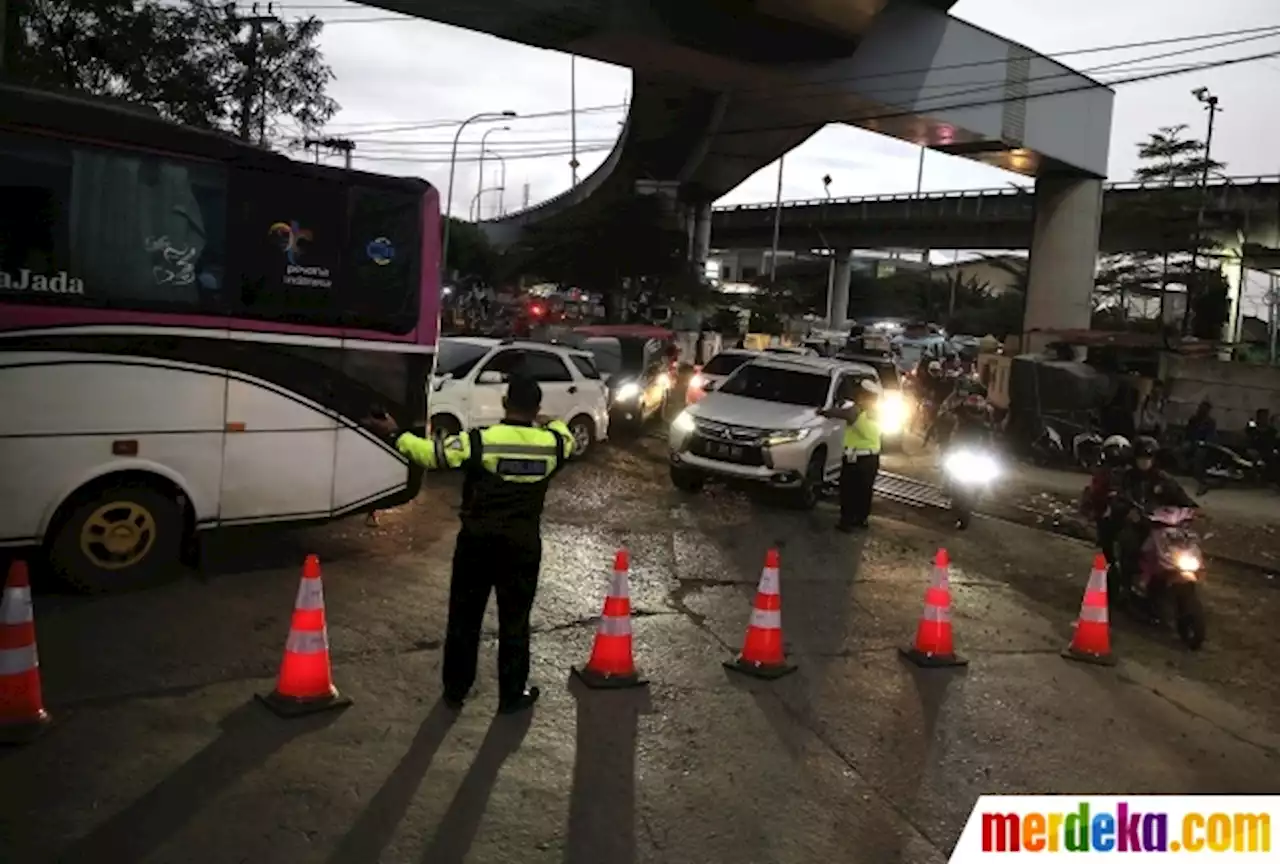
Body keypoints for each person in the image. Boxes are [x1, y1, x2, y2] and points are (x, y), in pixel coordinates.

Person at [366, 376, 574, 714]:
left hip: (477, 545)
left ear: (506, 403)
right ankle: (511, 695)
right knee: (515, 620)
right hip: (522, 546)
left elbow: (430, 455)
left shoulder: (479, 441)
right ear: (536, 409)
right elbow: (567, 438)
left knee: (465, 617)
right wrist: (549, 422)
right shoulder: (553, 444)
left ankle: (456, 690)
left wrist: (394, 433)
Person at [1114, 436, 1197, 597]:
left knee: (1184, 546)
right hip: (1139, 526)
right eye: (1141, 457)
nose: (1145, 461)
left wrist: (1194, 510)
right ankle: (1128, 583)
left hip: (1163, 527)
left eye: (1149, 457)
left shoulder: (1164, 479)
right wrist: (1127, 511)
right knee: (1128, 543)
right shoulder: (1128, 478)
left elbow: (1182, 498)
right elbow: (1118, 498)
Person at [820, 378, 883, 532]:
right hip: (872, 458)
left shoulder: (855, 412)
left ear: (863, 396)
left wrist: (821, 411)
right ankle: (861, 519)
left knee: (849, 490)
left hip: (855, 458)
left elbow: (836, 413)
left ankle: (846, 521)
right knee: (865, 490)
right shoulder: (878, 413)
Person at [1081, 435, 1132, 564]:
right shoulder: (1102, 473)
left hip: (1129, 515)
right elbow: (1093, 493)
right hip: (1107, 517)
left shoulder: (1133, 474)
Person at [1182, 400, 1217, 495]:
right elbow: (1188, 432)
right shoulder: (1193, 419)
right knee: (1181, 450)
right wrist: (1189, 440)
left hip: (1203, 444)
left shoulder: (1210, 422)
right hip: (1192, 442)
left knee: (1199, 454)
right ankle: (1185, 468)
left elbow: (1211, 436)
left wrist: (1204, 442)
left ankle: (1197, 475)